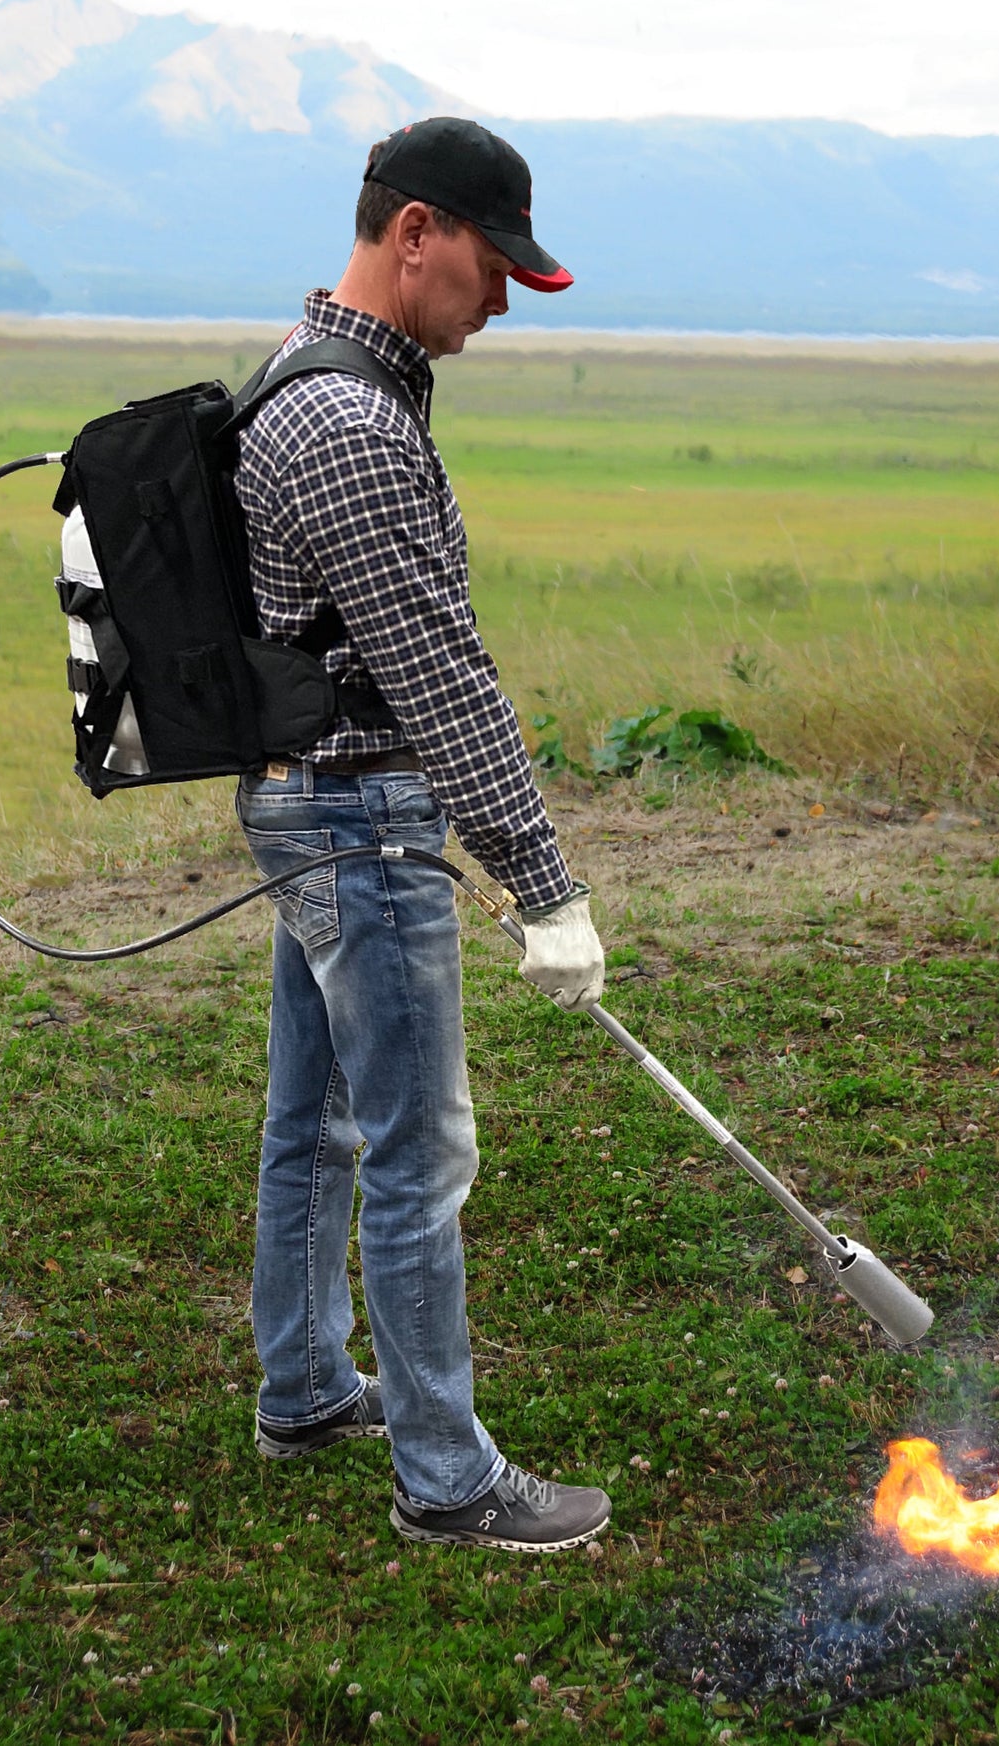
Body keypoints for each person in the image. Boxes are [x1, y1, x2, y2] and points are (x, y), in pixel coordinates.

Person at [234, 117, 611, 1552]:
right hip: (358, 814)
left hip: (314, 802)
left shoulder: (310, 374)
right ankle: (448, 1478)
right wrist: (545, 879)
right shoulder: (348, 423)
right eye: (490, 263)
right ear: (414, 237)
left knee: (318, 1119)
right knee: (416, 1149)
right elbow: (437, 670)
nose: (501, 299)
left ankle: (308, 1383)